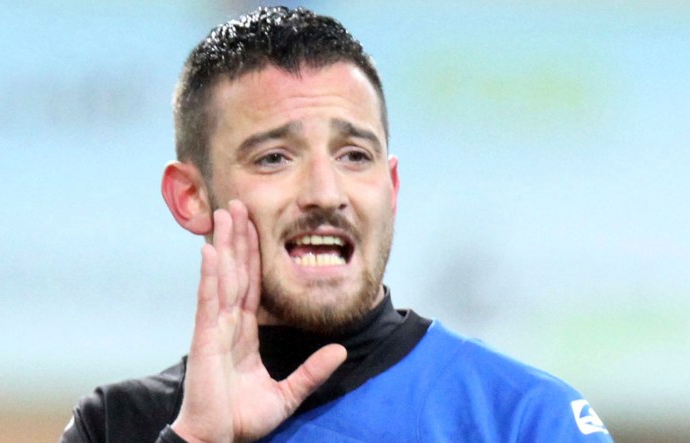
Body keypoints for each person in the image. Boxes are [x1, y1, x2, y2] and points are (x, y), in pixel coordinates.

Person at [61, 6, 614, 443]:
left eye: (354, 156)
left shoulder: (521, 418)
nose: (326, 193)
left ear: (390, 188)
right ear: (191, 196)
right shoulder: (118, 425)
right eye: (274, 157)